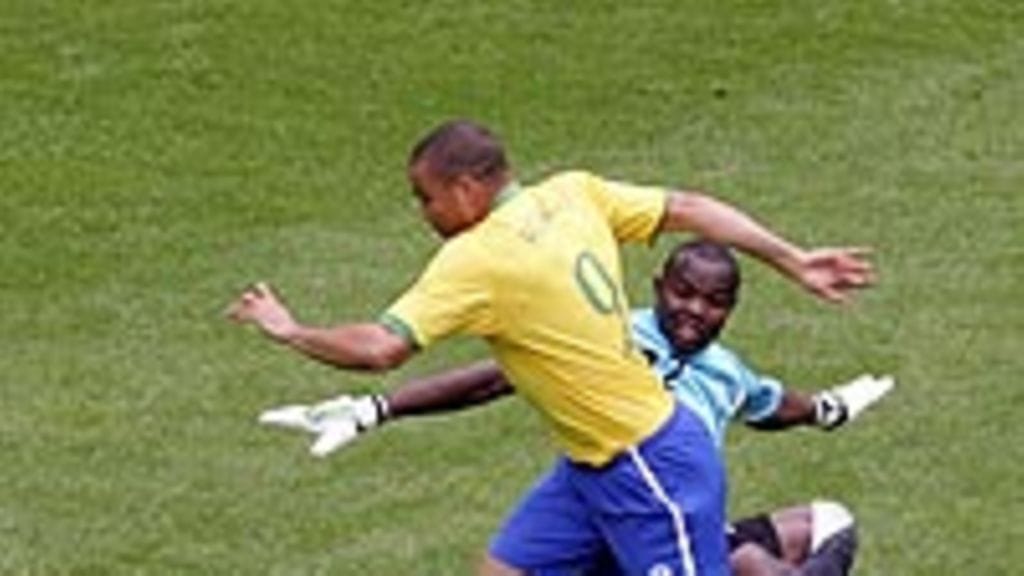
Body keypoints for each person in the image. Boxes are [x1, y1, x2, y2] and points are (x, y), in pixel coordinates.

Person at [227, 120, 874, 576]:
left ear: (465, 189)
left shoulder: (476, 260)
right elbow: (689, 206)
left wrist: (291, 330)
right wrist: (791, 258)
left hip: (649, 464)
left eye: (426, 198)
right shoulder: (574, 193)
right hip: (588, 466)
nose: (424, 213)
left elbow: (380, 347)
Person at [261, 240, 894, 576]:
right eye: (683, 294)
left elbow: (774, 405)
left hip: (669, 506)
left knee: (828, 524)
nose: (694, 312)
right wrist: (375, 410)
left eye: (713, 303)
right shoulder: (608, 333)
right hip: (594, 483)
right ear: (658, 288)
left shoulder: (728, 373)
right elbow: (495, 378)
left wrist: (831, 408)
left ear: (731, 309)